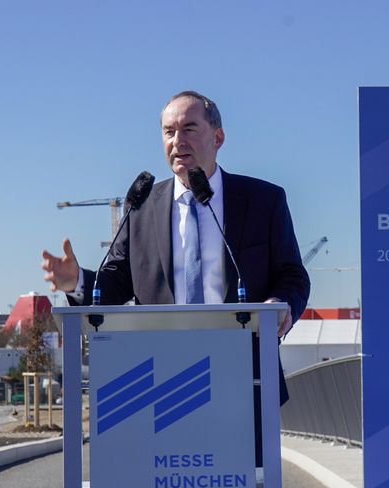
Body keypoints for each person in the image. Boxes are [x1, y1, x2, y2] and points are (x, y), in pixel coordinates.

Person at [41, 89, 310, 467]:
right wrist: (77, 283)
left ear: (217, 137)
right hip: (161, 385)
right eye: (168, 132)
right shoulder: (142, 205)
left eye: (188, 129)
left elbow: (292, 275)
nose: (177, 142)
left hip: (245, 381)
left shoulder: (263, 200)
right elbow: (114, 286)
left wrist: (276, 307)